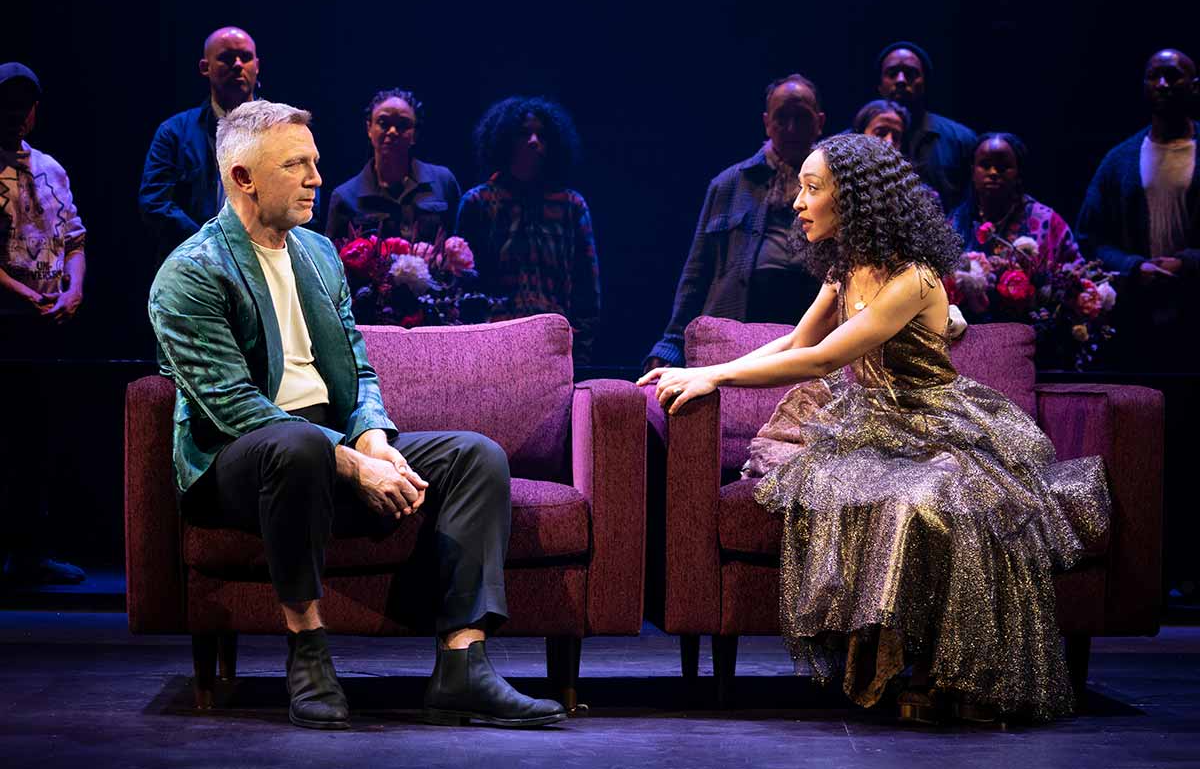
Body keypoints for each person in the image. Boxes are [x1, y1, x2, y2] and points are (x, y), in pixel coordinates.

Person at [638, 134, 1107, 723]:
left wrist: (720, 379)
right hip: (870, 421)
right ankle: (886, 664)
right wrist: (702, 368)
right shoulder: (843, 270)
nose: (797, 203)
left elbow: (822, 361)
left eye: (812, 190)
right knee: (855, 490)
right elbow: (795, 341)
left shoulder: (910, 278)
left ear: (854, 199)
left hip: (934, 422)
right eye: (800, 188)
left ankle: (946, 674)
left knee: (933, 501)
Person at [148, 100, 565, 730]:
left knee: (475, 455)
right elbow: (234, 406)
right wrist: (347, 460)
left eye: (315, 162)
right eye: (296, 165)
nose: (318, 177)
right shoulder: (191, 273)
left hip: (325, 447)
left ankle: (463, 666)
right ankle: (308, 652)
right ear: (243, 177)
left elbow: (358, 371)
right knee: (296, 446)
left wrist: (370, 439)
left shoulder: (318, 255)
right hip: (239, 464)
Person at [644, 74, 827, 370]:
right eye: (782, 118)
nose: (791, 128)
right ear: (767, 123)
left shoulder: (835, 186)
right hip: (734, 331)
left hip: (809, 333)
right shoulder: (731, 184)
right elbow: (697, 271)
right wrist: (671, 342)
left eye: (802, 118)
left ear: (819, 122)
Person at [0, 62, 88, 585]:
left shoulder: (51, 167)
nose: (17, 113)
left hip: (48, 323)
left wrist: (74, 289)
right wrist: (24, 293)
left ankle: (33, 551)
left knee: (40, 439)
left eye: (24, 103)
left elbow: (75, 237)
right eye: (6, 102)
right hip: (7, 323)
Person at [1076, 48, 1200, 371]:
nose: (1162, 84)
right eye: (1153, 77)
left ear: (1194, 86)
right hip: (1138, 319)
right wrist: (1134, 268)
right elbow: (1089, 238)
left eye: (1173, 75)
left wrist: (1186, 263)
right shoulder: (1120, 160)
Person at [455, 96, 600, 363]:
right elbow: (463, 286)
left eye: (541, 135)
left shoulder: (570, 206)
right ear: (505, 139)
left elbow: (587, 289)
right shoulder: (479, 203)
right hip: (494, 342)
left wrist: (580, 352)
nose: (534, 141)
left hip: (552, 344)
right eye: (524, 133)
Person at [139, 26, 261, 262]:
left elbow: (305, 200)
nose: (238, 64)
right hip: (194, 265)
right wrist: (212, 243)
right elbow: (154, 202)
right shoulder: (174, 132)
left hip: (263, 261)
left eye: (245, 57)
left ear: (257, 65)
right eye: (226, 58)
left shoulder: (281, 130)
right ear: (205, 67)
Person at [325, 88, 460, 247]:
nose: (393, 131)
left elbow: (461, 245)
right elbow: (331, 262)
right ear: (369, 128)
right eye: (383, 123)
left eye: (403, 125)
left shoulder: (443, 181)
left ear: (415, 134)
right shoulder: (345, 196)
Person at [950, 132, 1082, 274]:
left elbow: (1077, 274)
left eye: (1003, 167)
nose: (993, 172)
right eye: (985, 165)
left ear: (1018, 173)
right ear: (973, 171)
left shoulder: (1048, 223)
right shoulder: (956, 223)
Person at [875, 41, 975, 210]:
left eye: (910, 73)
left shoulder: (961, 140)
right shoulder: (855, 141)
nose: (901, 80)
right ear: (879, 85)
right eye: (892, 73)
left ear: (925, 83)